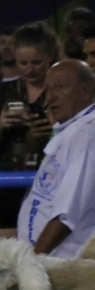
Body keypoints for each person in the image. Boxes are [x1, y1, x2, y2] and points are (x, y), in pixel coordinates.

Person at [0, 21, 59, 227]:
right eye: (23, 63)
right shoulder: (4, 92)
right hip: (7, 187)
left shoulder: (61, 91)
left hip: (51, 187)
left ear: (50, 56)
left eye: (36, 62)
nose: (30, 70)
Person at [16, 60, 95, 258]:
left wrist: (31, 262)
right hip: (49, 264)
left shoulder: (87, 136)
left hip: (63, 269)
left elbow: (65, 217)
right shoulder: (73, 131)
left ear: (85, 91)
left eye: (60, 87)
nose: (50, 97)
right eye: (47, 88)